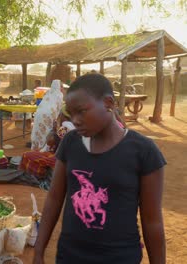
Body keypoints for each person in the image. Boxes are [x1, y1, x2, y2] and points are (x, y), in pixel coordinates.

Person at [32, 74, 166, 264]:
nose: (75, 120)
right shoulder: (70, 143)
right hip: (70, 256)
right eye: (71, 114)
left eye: (81, 111)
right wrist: (38, 251)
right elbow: (54, 198)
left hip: (120, 258)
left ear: (108, 103)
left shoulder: (144, 151)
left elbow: (152, 222)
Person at [30, 79, 64, 151]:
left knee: (39, 129)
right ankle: (45, 147)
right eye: (62, 87)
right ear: (59, 87)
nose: (62, 88)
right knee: (48, 130)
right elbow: (59, 109)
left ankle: (37, 146)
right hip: (49, 114)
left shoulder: (48, 92)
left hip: (39, 113)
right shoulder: (59, 94)